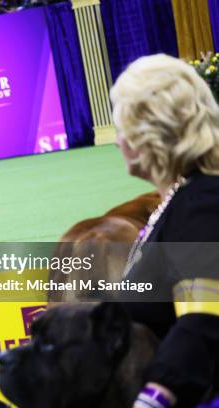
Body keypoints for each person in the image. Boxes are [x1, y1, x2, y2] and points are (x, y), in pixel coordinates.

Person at [111, 54, 219, 408]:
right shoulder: (188, 197)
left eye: (121, 127)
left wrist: (153, 399)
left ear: (148, 135)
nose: (117, 141)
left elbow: (203, 320)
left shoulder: (200, 204)